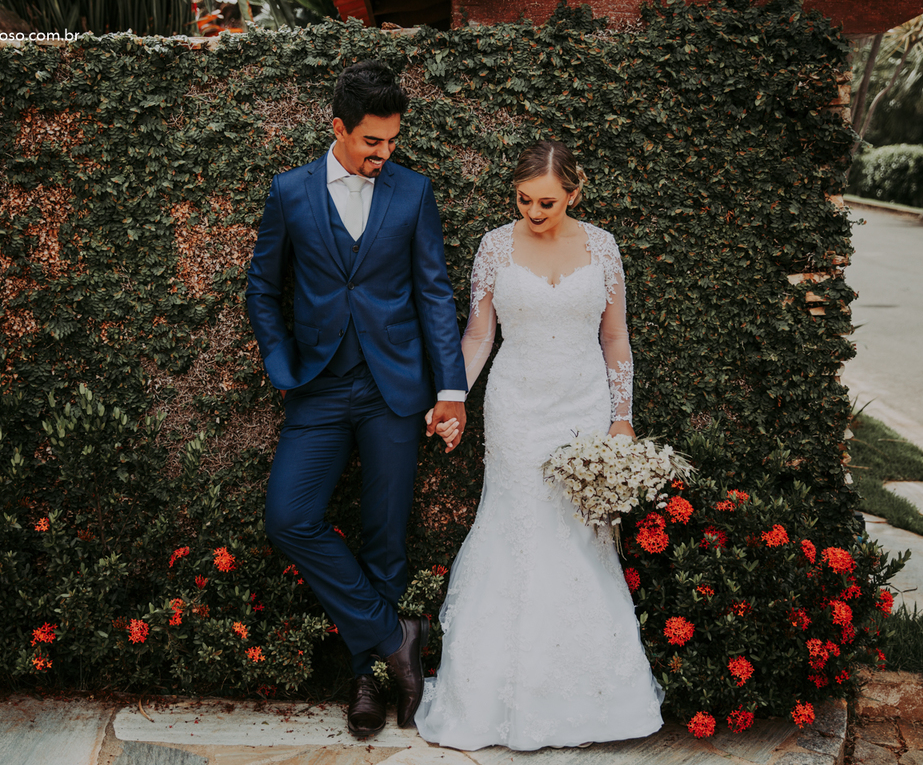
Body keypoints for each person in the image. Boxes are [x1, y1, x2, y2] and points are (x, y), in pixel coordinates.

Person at [413, 141, 665, 751]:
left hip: (582, 407)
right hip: (516, 407)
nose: (533, 211)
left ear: (574, 194)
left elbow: (616, 339)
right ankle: (492, 696)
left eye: (547, 202)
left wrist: (621, 419)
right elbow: (477, 334)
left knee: (579, 538)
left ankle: (585, 698)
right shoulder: (495, 247)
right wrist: (453, 398)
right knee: (516, 529)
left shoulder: (602, 247)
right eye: (524, 200)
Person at [244, 61, 468, 738]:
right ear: (337, 127)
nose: (384, 153)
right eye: (373, 141)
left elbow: (433, 291)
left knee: (384, 538)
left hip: (393, 387)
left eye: (393, 140)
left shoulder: (413, 192)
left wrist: (451, 388)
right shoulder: (290, 192)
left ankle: (367, 682)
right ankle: (396, 637)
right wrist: (282, 362)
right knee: (289, 517)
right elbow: (263, 288)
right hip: (317, 386)